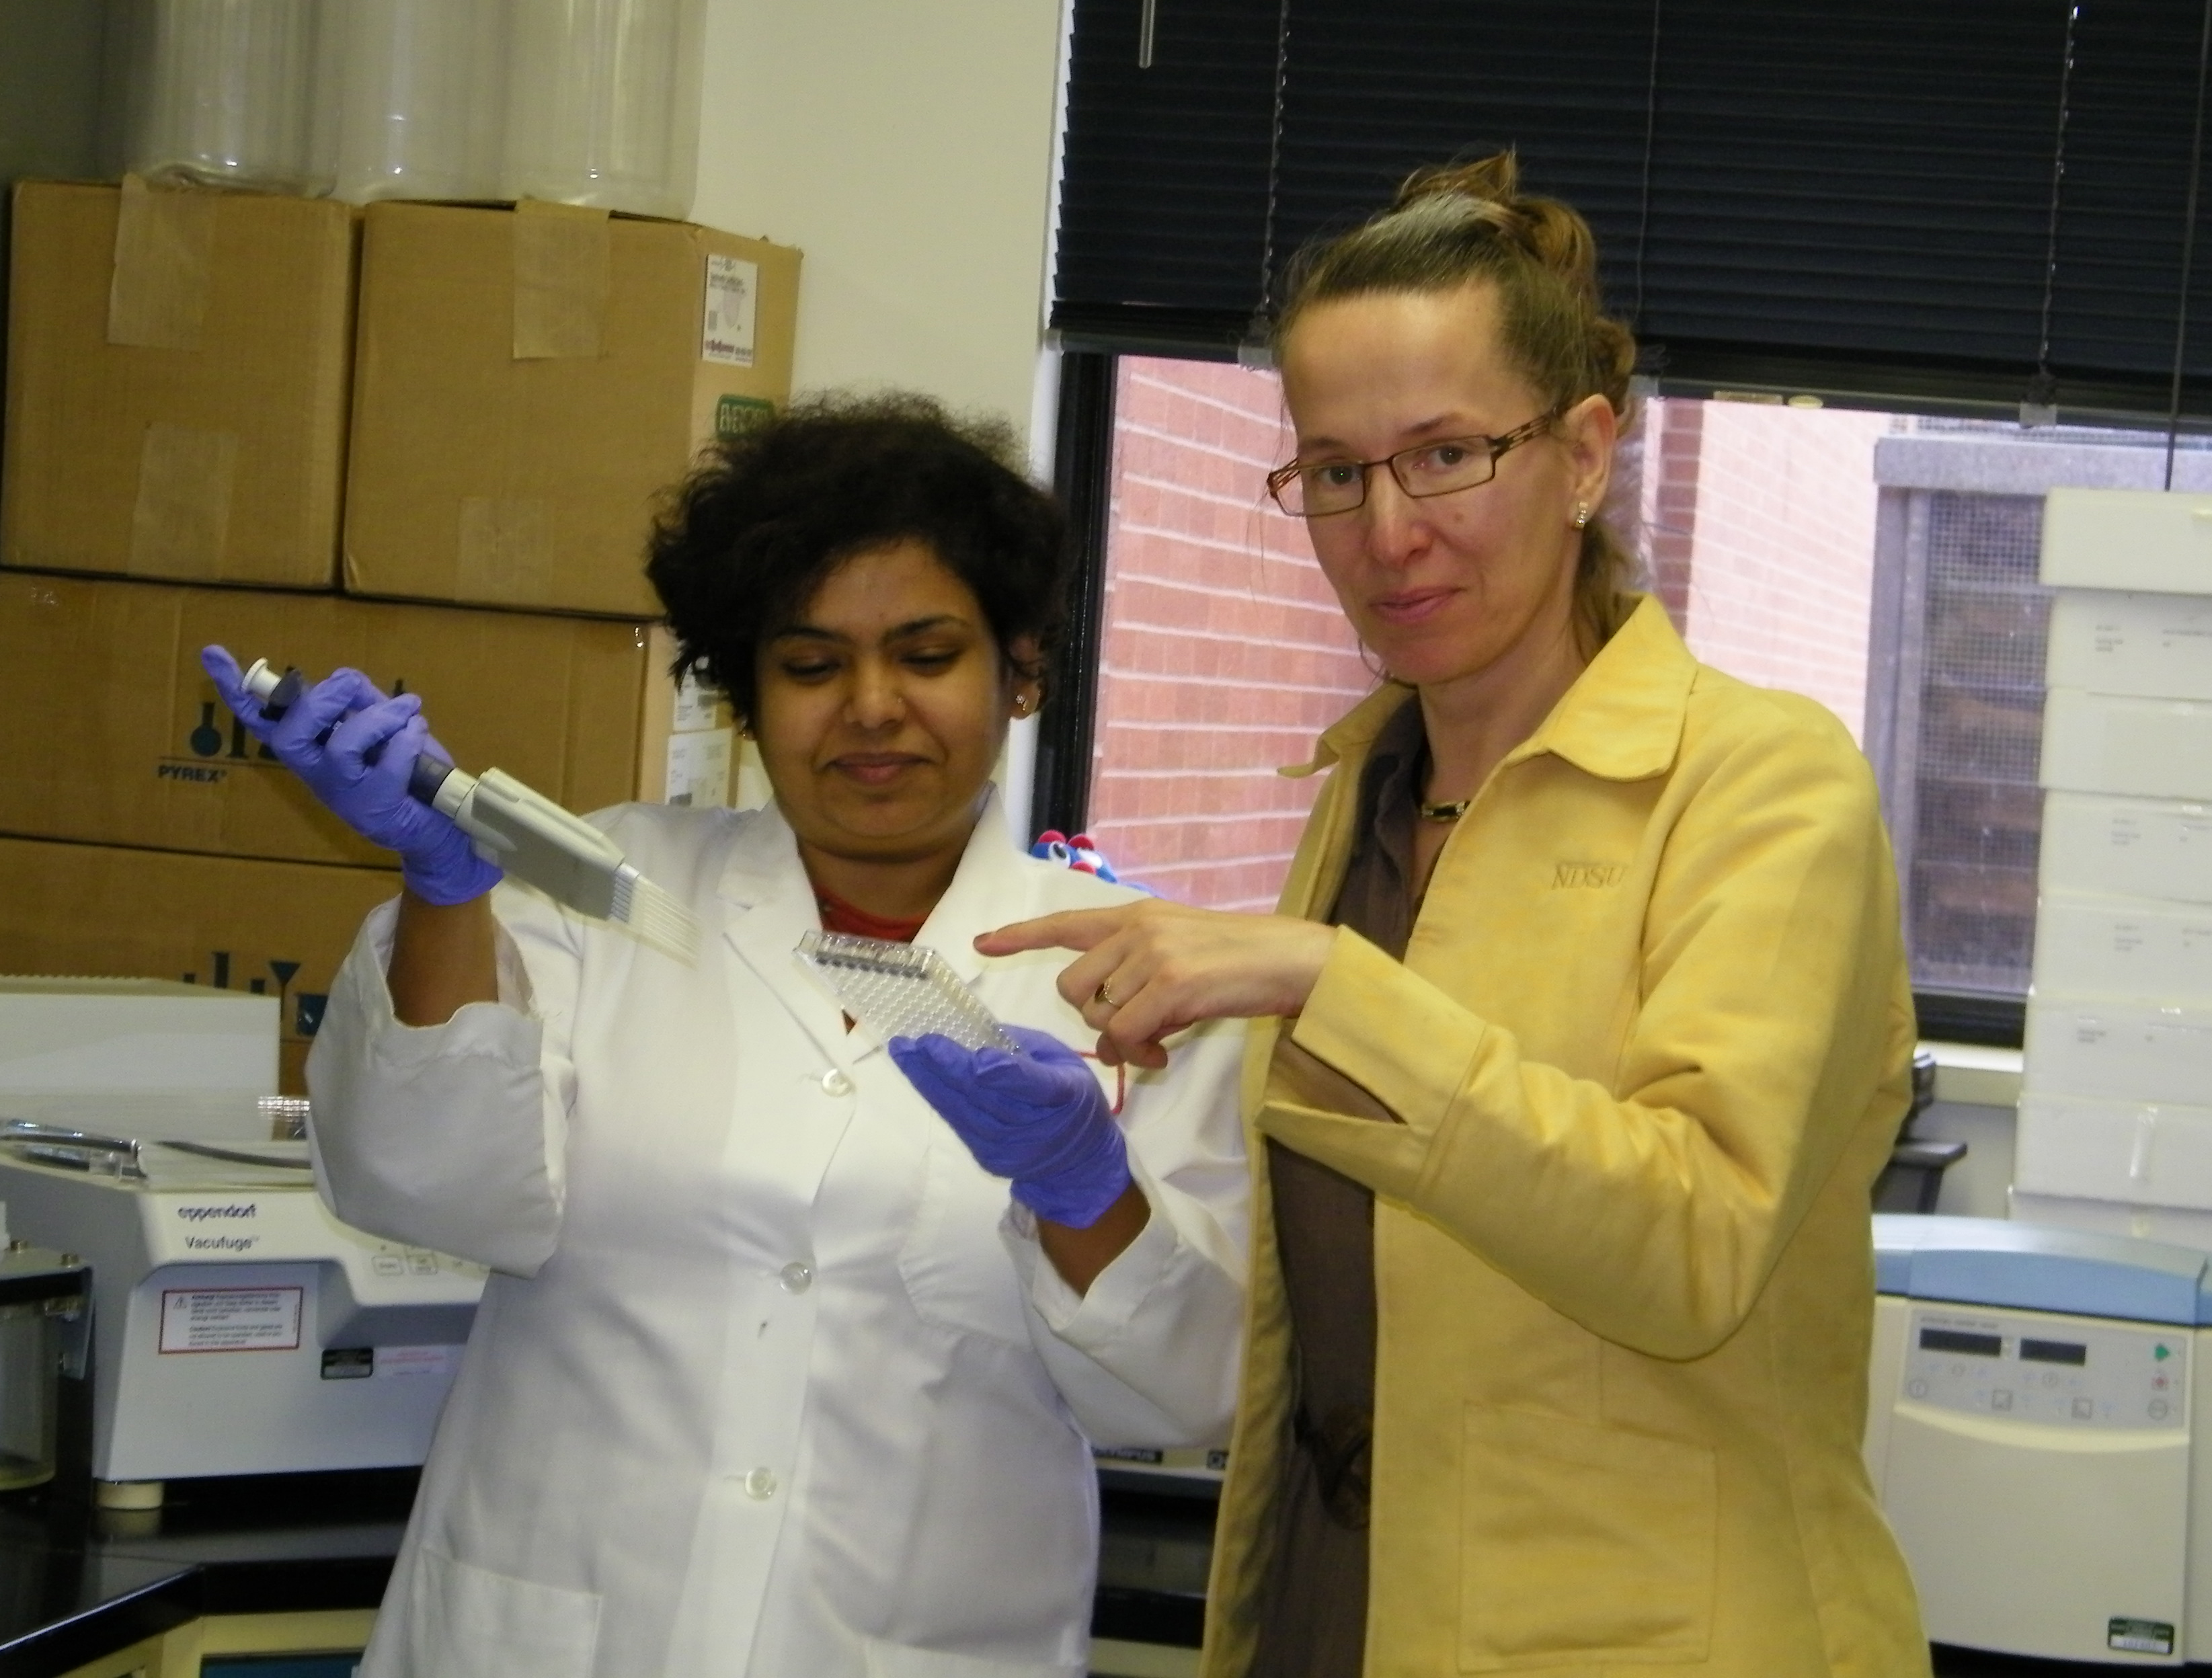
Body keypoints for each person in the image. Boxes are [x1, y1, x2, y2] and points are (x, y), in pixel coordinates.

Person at [980, 156, 1930, 1677]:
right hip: (1338, 1603)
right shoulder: (1365, 796)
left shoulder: (1760, 782)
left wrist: (1325, 982)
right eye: (1335, 472)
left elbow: (1693, 1244)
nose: (1385, 531)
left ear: (1582, 455)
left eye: (1444, 456)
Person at [200, 394, 1249, 1678]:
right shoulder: (606, 889)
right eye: (810, 666)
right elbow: (425, 1187)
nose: (871, 707)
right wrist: (442, 890)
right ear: (747, 697)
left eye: (927, 655)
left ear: (1019, 670)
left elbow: (1178, 1394)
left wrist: (1085, 1190)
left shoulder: (1137, 975)